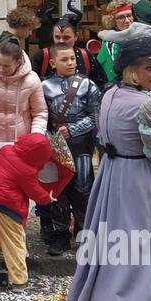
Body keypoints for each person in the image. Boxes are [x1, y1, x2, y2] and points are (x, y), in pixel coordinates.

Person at [60, 35, 151, 301]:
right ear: (131, 69)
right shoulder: (150, 104)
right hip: (139, 181)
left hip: (111, 177)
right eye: (148, 67)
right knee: (147, 255)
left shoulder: (110, 94)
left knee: (110, 251)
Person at [39, 44, 102, 254]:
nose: (71, 63)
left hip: (81, 145)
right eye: (65, 60)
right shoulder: (44, 86)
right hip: (54, 146)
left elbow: (96, 116)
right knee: (58, 192)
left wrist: (73, 129)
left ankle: (85, 234)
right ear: (53, 63)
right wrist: (49, 137)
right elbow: (40, 115)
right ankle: (60, 235)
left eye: (73, 59)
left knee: (83, 189)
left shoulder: (88, 85)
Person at [0, 132, 58, 287]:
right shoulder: (26, 171)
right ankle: (18, 280)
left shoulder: (5, 150)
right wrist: (48, 198)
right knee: (14, 244)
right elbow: (35, 192)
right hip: (9, 210)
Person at [0, 39, 47, 181]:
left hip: (21, 142)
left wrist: (36, 135)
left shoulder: (32, 79)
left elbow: (40, 112)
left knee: (18, 187)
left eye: (6, 66)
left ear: (18, 62)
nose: (1, 69)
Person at [36, 8, 91, 79]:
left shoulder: (86, 56)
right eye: (57, 37)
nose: (61, 41)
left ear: (76, 36)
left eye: (66, 37)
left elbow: (100, 84)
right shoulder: (41, 56)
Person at [94, 3, 134, 84]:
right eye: (121, 17)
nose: (127, 21)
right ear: (112, 21)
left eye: (129, 15)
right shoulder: (111, 44)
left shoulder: (139, 36)